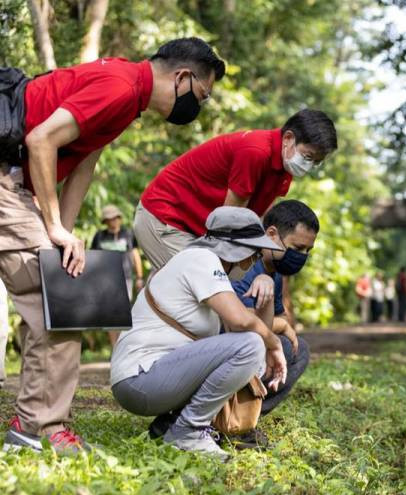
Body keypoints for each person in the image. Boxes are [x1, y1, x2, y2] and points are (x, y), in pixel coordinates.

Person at [1, 37, 226, 454]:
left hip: (17, 182)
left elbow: (83, 163)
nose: (201, 104)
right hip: (8, 178)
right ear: (181, 77)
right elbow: (41, 142)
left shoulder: (128, 93)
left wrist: (61, 237)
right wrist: (52, 224)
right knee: (61, 303)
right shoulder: (121, 87)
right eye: (202, 94)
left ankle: (33, 424)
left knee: (58, 284)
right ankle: (41, 429)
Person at [110, 207, 286, 459]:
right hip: (141, 378)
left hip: (155, 379)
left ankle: (172, 426)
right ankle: (188, 431)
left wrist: (267, 295)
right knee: (250, 345)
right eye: (254, 253)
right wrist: (274, 345)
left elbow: (249, 328)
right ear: (237, 250)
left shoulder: (210, 276)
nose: (256, 261)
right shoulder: (201, 259)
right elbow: (241, 323)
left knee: (250, 347)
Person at [134, 108, 337, 277]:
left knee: (206, 290)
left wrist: (270, 261)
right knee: (202, 287)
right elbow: (227, 222)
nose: (309, 166)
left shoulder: (284, 168)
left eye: (316, 162)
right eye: (308, 157)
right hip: (166, 217)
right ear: (288, 138)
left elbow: (265, 217)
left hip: (198, 228)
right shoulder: (256, 151)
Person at [228, 200, 316, 445]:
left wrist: (279, 327)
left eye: (307, 251)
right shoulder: (244, 265)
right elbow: (238, 321)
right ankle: (222, 417)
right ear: (271, 234)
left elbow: (278, 318)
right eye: (297, 247)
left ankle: (245, 417)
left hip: (248, 345)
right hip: (222, 346)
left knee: (297, 349)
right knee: (281, 344)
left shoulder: (274, 270)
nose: (301, 256)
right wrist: (279, 327)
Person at [91, 204, 143, 345]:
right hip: (105, 281)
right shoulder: (99, 236)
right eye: (109, 219)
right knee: (109, 314)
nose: (112, 221)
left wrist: (139, 277)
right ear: (105, 221)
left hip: (125, 278)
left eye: (115, 218)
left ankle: (123, 346)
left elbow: (135, 255)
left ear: (119, 219)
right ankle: (115, 347)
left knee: (123, 312)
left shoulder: (128, 234)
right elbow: (93, 259)